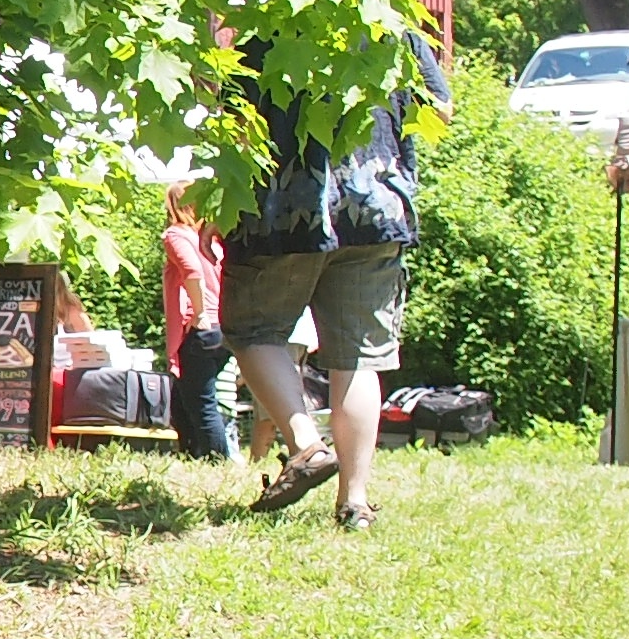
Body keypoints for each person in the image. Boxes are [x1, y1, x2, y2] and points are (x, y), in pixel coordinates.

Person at [232, 34, 450, 530]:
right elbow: (439, 111)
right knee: (358, 357)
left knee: (253, 329)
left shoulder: (269, 28)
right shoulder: (396, 31)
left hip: (287, 209)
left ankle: (307, 446)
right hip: (376, 205)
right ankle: (354, 502)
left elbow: (236, 127)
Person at [157, 190, 234, 461]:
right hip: (223, 327)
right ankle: (191, 456)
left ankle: (217, 461)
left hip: (201, 328)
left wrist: (199, 314)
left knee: (202, 402)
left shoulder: (176, 235)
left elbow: (192, 271)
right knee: (183, 397)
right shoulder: (212, 239)